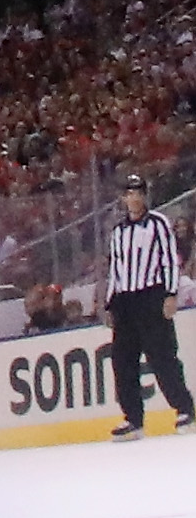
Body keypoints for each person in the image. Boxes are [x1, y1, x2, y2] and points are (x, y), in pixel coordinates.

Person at [103, 174, 191, 440]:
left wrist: (170, 294)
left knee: (162, 356)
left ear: (144, 195)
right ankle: (133, 418)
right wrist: (110, 303)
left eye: (139, 192)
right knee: (123, 361)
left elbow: (169, 260)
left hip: (151, 296)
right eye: (130, 193)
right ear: (123, 198)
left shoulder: (158, 224)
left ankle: (185, 409)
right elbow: (115, 270)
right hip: (125, 302)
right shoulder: (118, 231)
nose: (134, 197)